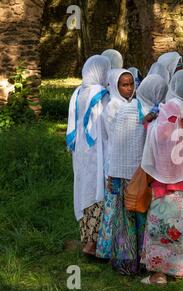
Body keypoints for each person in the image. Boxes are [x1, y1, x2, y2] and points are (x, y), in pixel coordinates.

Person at [140, 70, 183, 285]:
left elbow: (163, 136)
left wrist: (149, 123)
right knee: (181, 225)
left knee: (161, 226)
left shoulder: (171, 106)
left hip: (169, 177)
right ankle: (179, 268)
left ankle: (159, 274)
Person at [102, 69, 147, 275]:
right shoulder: (112, 107)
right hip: (120, 168)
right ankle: (126, 260)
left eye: (131, 84)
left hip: (133, 170)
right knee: (123, 216)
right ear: (115, 86)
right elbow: (113, 140)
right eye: (124, 85)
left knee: (137, 214)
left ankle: (139, 259)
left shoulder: (138, 106)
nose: (128, 89)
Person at [66, 55, 111, 256]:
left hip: (81, 152)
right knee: (98, 191)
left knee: (85, 190)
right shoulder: (101, 94)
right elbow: (107, 123)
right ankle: (94, 245)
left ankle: (87, 239)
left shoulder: (78, 91)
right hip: (98, 150)